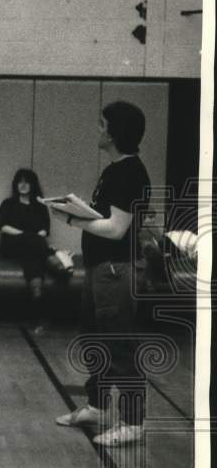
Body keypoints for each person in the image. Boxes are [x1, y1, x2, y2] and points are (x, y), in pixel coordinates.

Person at [51, 101, 151, 447]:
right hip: (101, 269)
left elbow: (116, 229)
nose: (98, 129)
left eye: (102, 124)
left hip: (117, 271)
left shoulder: (130, 173)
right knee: (95, 339)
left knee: (119, 344)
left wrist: (73, 218)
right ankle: (96, 406)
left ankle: (134, 423)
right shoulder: (113, 170)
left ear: (115, 132)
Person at [0, 168, 53, 300]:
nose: (23, 185)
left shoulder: (40, 206)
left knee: (32, 251)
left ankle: (36, 287)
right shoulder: (8, 204)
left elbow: (44, 230)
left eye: (27, 182)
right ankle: (52, 262)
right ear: (15, 184)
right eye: (20, 182)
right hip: (11, 244)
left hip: (33, 247)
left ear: (33, 185)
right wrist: (26, 236)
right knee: (34, 244)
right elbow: (4, 227)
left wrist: (32, 238)